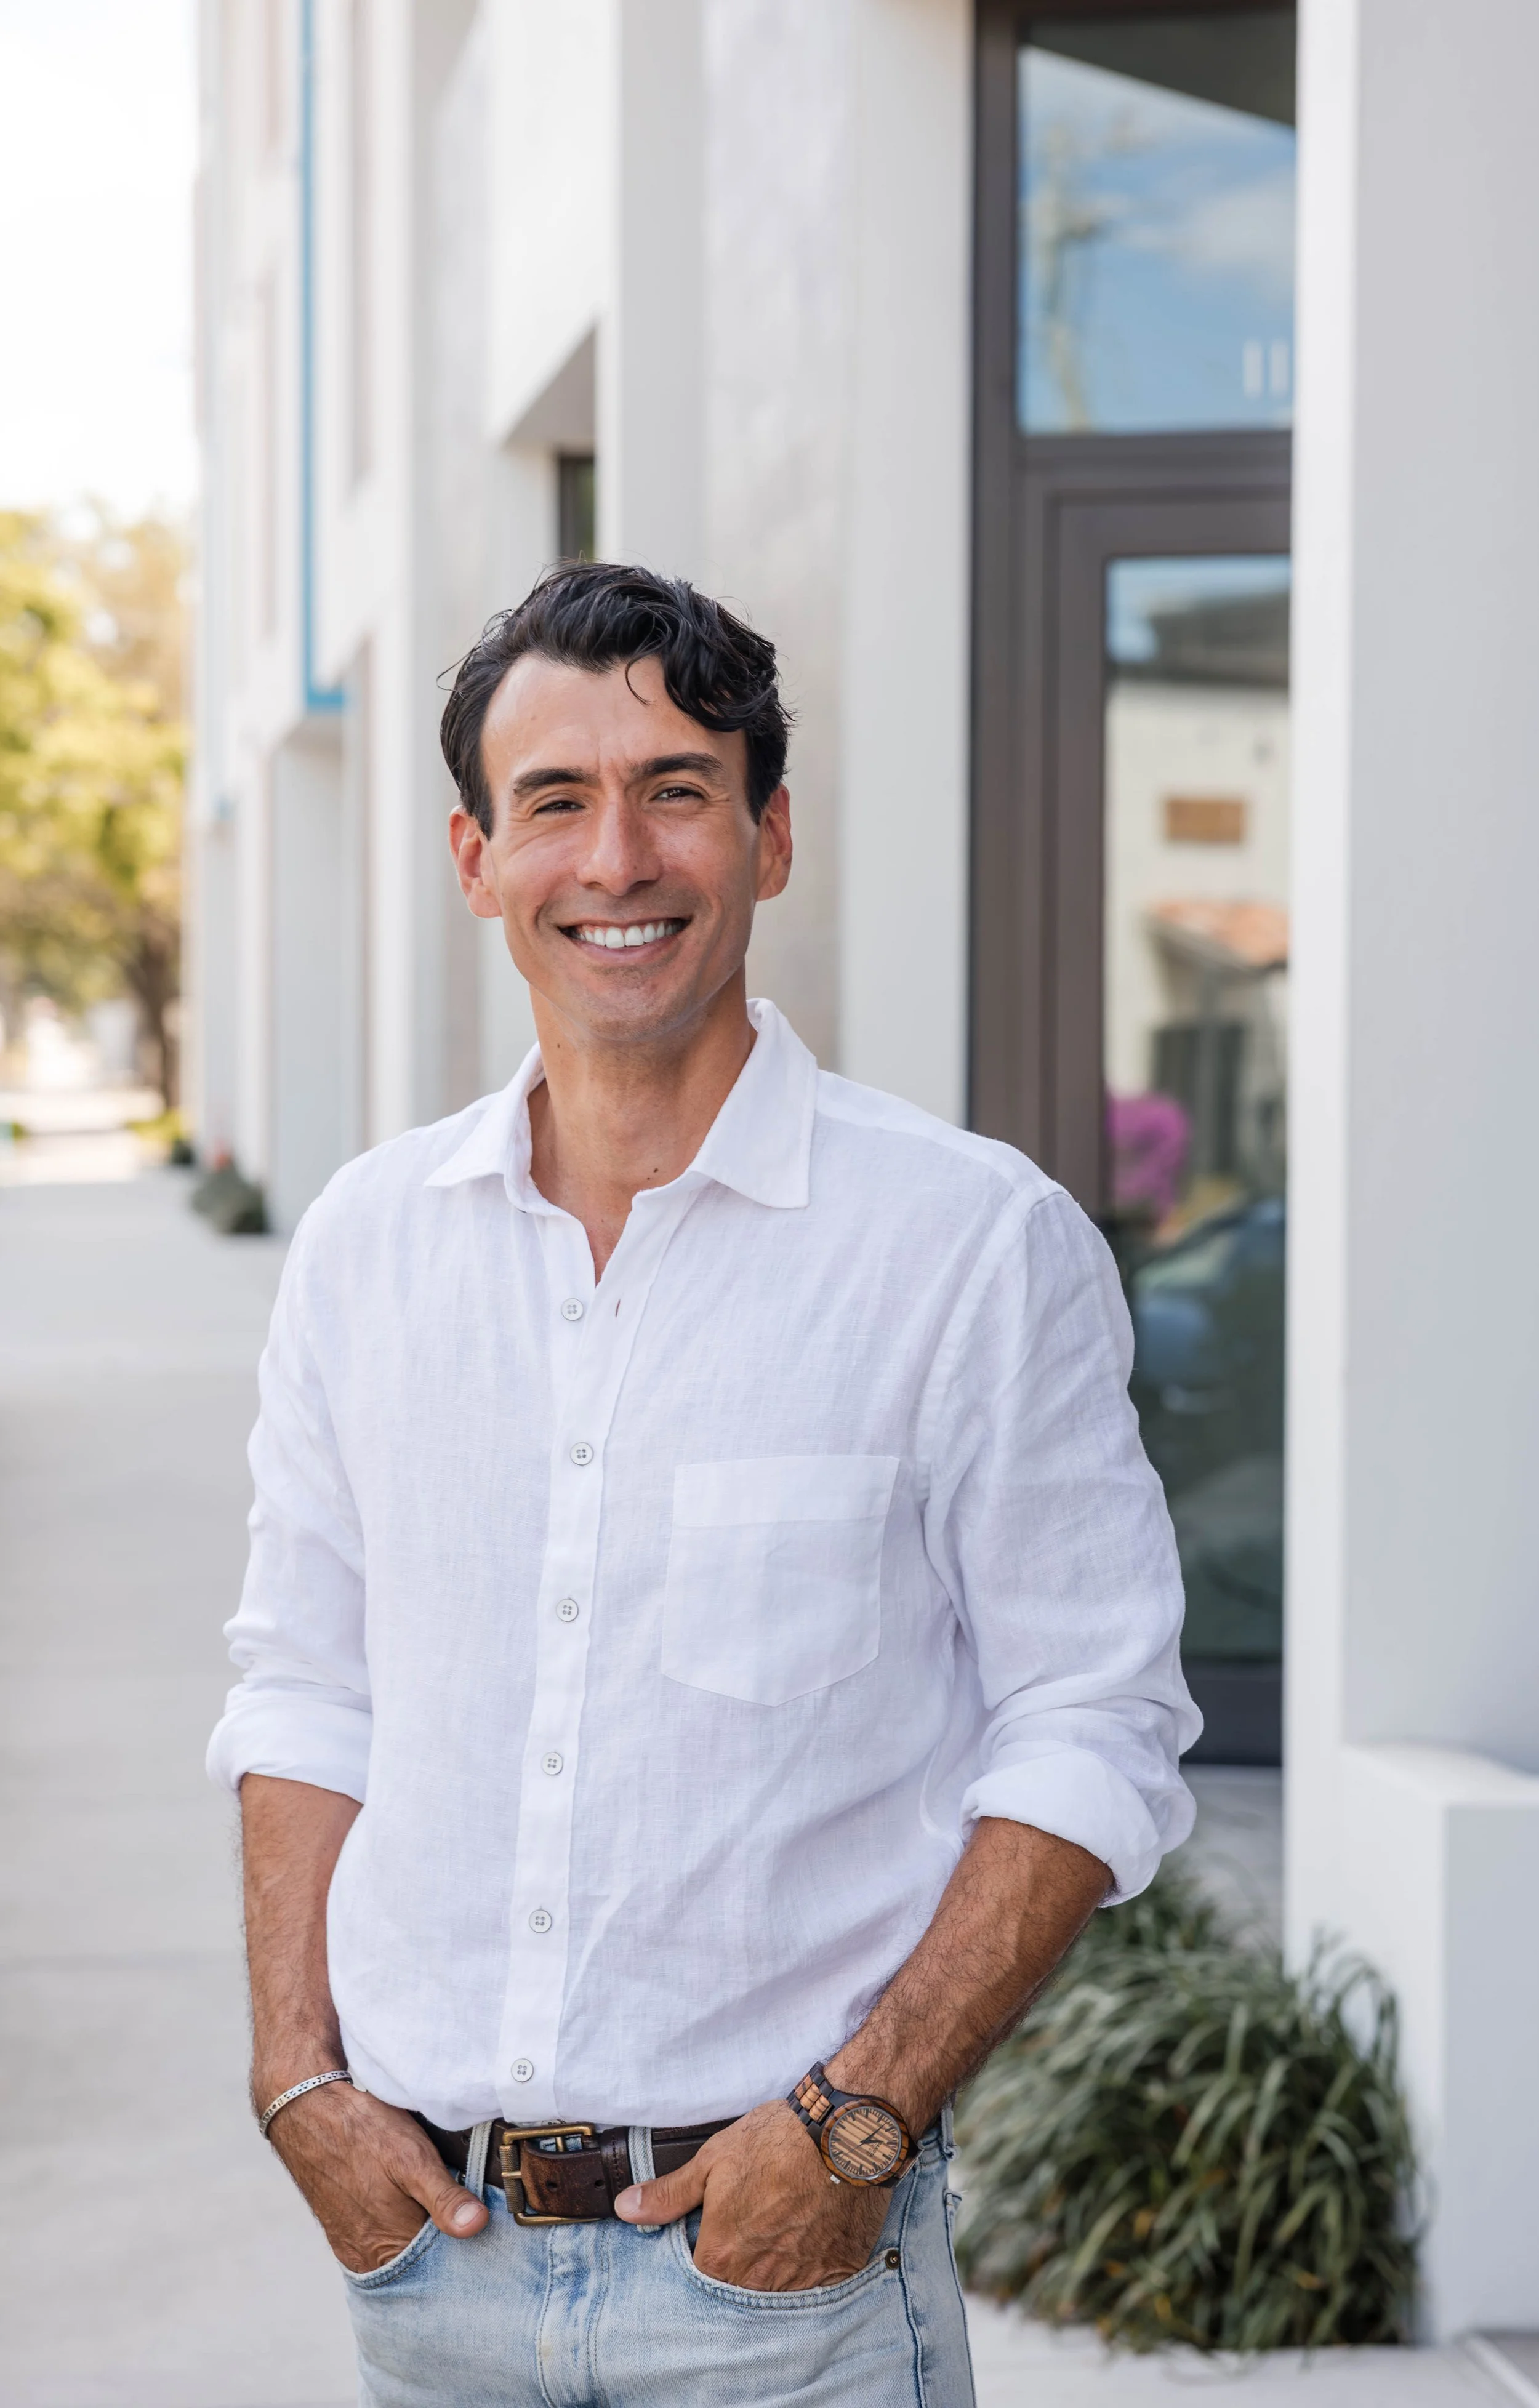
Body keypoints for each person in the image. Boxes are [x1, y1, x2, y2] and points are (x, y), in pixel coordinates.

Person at [209, 562, 1199, 2407]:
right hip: (432, 2268)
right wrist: (297, 2083)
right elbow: (304, 1682)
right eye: (555, 803)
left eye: (676, 789)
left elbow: (1093, 1716)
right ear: (472, 857)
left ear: (771, 837)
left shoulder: (967, 1246)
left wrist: (858, 2124)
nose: (617, 862)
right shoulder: (364, 1249)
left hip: (783, 2288)